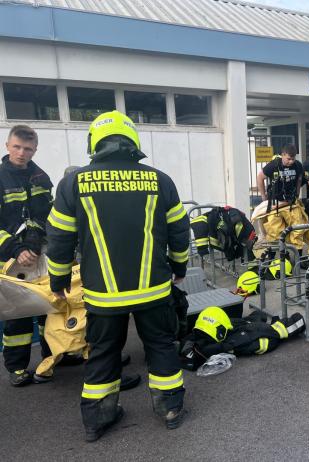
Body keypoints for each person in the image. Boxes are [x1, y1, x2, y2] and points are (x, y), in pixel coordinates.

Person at [46, 110, 190, 441]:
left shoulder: (73, 184)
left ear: (94, 143)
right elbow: (180, 231)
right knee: (161, 346)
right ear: (132, 141)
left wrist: (58, 282)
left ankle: (97, 419)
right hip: (154, 291)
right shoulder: (160, 180)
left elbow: (58, 239)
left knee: (103, 352)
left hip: (102, 295)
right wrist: (179, 269)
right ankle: (169, 408)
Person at [0, 125, 53, 387]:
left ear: (35, 150)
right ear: (7, 145)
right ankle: (17, 367)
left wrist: (32, 244)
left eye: (28, 149)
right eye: (17, 147)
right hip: (8, 257)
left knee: (47, 309)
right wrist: (16, 249)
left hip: (38, 253)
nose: (22, 153)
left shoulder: (41, 177)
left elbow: (46, 216)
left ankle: (51, 358)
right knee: (17, 314)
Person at [256, 144, 309, 254]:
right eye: (288, 159)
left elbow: (299, 178)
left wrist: (297, 192)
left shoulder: (297, 165)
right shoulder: (274, 165)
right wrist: (264, 197)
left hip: (291, 204)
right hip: (275, 205)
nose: (291, 162)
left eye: (293, 159)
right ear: (282, 155)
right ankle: (271, 262)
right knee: (274, 234)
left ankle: (294, 262)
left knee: (297, 232)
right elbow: (260, 177)